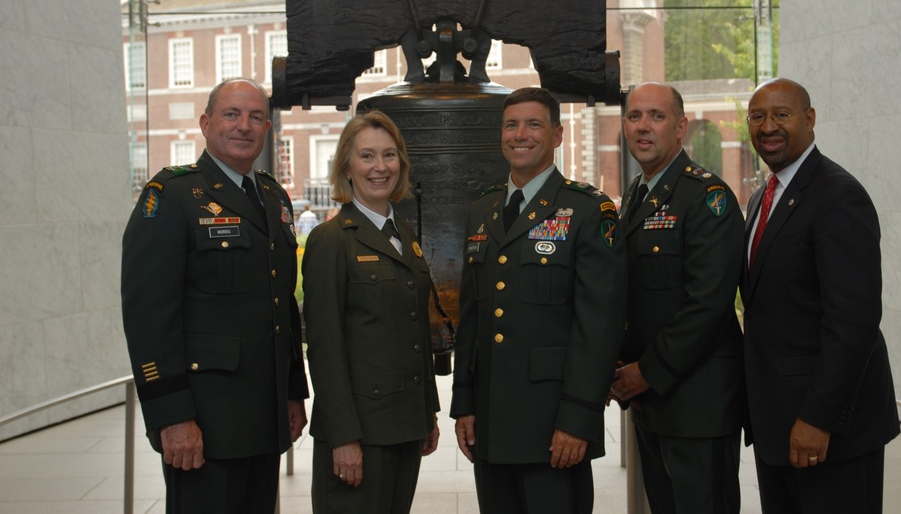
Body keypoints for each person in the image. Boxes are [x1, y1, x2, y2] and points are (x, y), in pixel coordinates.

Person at [121, 78, 308, 514]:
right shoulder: (171, 197)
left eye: (255, 116)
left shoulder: (272, 195)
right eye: (231, 114)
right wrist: (171, 416)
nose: (244, 126)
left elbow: (280, 302)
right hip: (205, 424)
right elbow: (149, 318)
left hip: (264, 417)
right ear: (206, 124)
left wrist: (292, 391)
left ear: (265, 127)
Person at [450, 87, 627, 514]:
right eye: (511, 125)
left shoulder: (587, 211)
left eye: (534, 124)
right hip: (490, 425)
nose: (520, 135)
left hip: (553, 427)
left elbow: (598, 327)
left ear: (558, 135)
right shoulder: (484, 209)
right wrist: (464, 405)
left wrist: (578, 419)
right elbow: (473, 316)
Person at [742, 78, 899, 513]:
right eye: (757, 116)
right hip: (776, 424)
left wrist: (818, 418)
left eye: (782, 115)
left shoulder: (839, 196)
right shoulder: (762, 198)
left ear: (809, 120)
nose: (768, 126)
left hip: (827, 430)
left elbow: (855, 322)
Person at [612, 82, 745, 513]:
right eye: (634, 117)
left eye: (657, 116)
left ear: (681, 126)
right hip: (652, 401)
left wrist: (646, 372)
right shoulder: (635, 195)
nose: (643, 127)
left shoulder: (707, 197)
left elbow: (708, 304)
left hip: (697, 406)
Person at [302, 110, 440, 513]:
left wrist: (426, 412)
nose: (380, 167)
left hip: (404, 425)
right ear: (346, 165)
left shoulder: (404, 236)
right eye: (366, 156)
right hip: (359, 433)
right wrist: (343, 437)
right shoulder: (331, 241)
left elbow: (415, 332)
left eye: (389, 155)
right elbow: (324, 349)